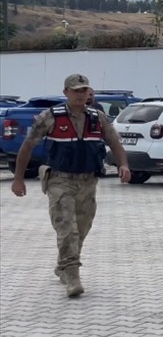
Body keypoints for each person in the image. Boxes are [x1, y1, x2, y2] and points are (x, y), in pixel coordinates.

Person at [10, 74, 133, 298]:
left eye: (84, 90)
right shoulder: (51, 116)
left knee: (82, 228)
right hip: (59, 179)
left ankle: (63, 265)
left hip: (88, 181)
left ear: (89, 93)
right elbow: (28, 146)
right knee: (68, 229)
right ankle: (73, 276)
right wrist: (18, 178)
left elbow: (114, 141)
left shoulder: (97, 118)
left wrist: (123, 164)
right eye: (75, 90)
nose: (80, 94)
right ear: (66, 92)